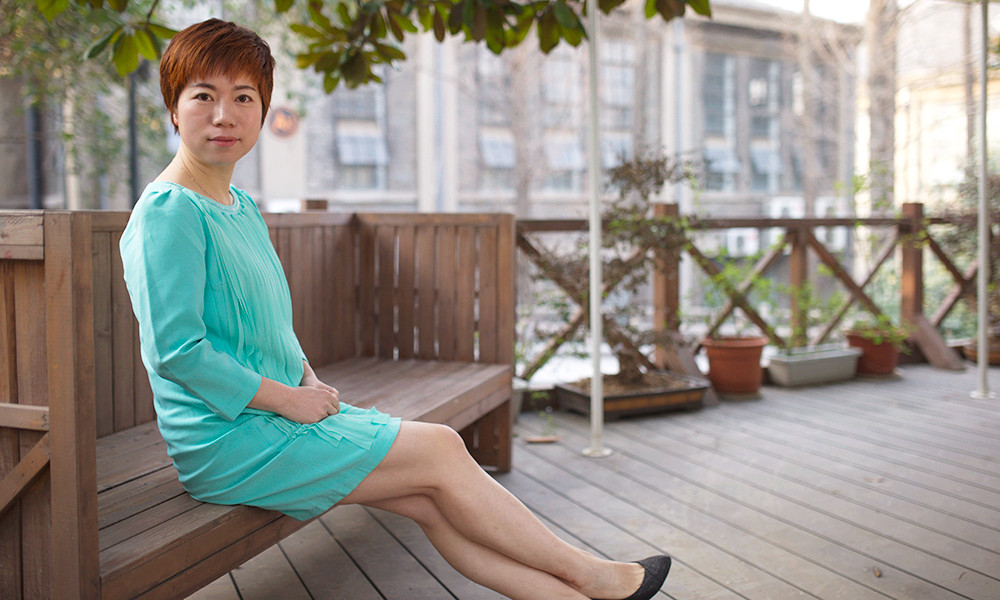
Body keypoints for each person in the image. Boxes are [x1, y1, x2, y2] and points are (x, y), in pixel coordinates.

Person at [120, 18, 671, 600]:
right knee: (440, 448)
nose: (224, 115)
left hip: (277, 416)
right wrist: (289, 399)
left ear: (262, 110)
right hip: (226, 440)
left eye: (243, 98)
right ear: (174, 107)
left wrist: (306, 377)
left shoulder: (239, 205)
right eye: (203, 96)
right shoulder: (168, 213)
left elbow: (267, 318)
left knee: (432, 500)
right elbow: (177, 352)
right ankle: (594, 576)